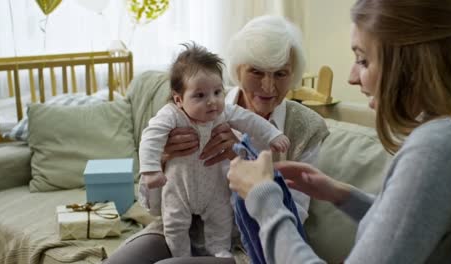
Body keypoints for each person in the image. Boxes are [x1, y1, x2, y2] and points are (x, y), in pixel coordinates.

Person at [227, 0, 451, 263]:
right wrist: (340, 194)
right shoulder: (446, 135)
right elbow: (409, 229)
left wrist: (264, 199)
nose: (351, 77)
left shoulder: (435, 147)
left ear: (410, 64)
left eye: (362, 60)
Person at [104, 15, 328, 264]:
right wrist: (163, 160)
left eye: (280, 74)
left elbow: (293, 216)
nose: (268, 86)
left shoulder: (306, 128)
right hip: (181, 228)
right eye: (256, 71)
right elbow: (154, 205)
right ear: (238, 69)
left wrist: (240, 160)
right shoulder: (192, 105)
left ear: (293, 73)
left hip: (251, 245)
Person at [137, 42, 289, 258]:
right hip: (179, 187)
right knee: (174, 224)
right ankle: (181, 257)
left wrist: (273, 135)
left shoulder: (224, 112)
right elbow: (151, 137)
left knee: (221, 219)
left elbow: (250, 121)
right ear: (178, 99)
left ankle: (219, 251)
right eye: (199, 95)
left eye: (217, 92)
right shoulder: (171, 115)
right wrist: (152, 169)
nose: (212, 102)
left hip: (214, 186)